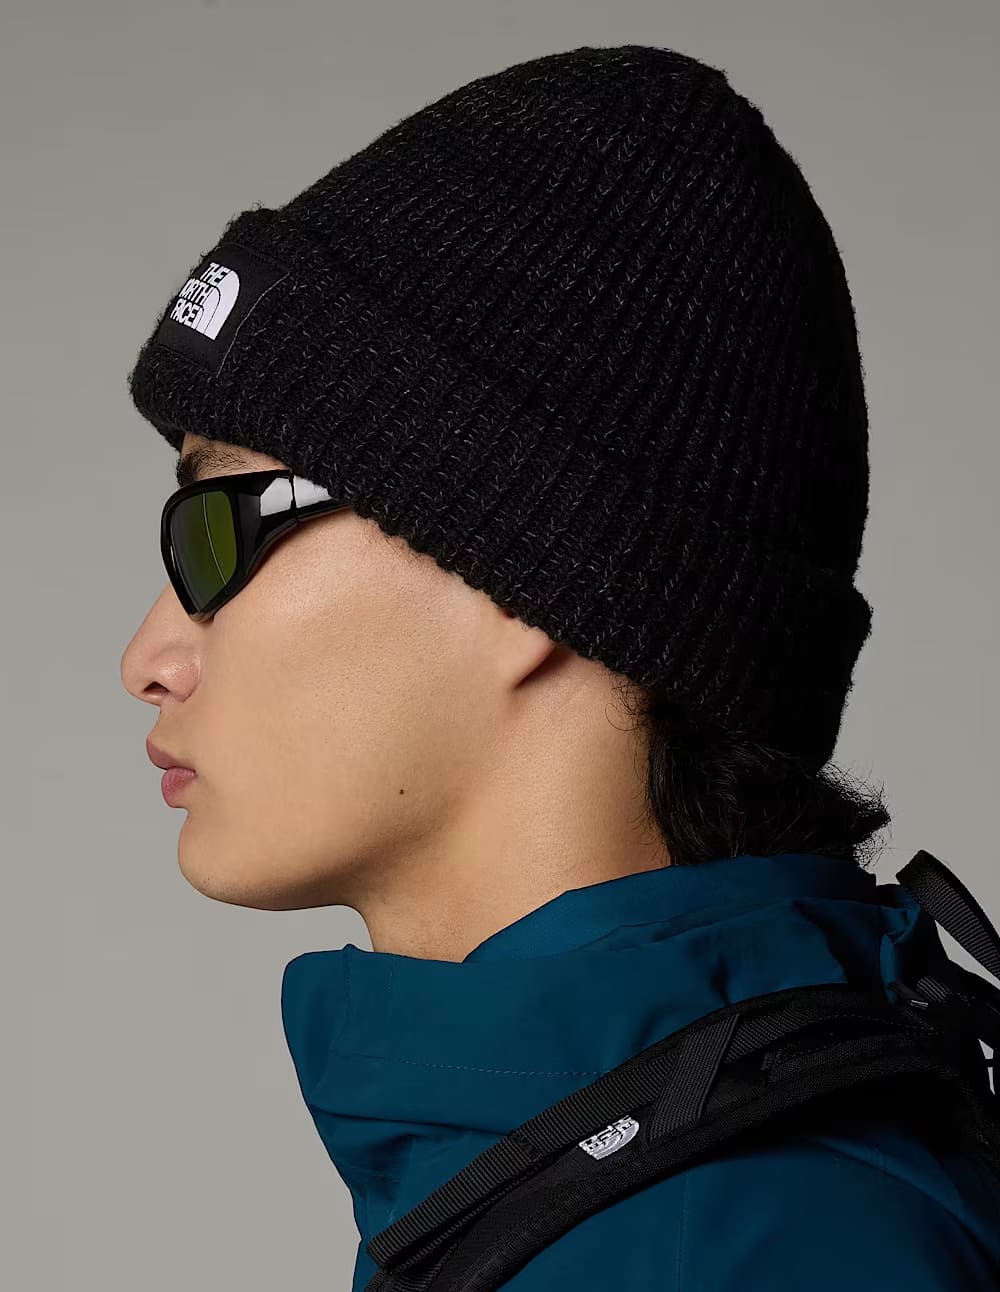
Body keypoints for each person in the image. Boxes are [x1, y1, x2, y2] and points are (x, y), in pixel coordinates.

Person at [119, 43, 1000, 1291]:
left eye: (214, 528)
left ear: (519, 574)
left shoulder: (734, 1244)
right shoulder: (577, 1175)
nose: (148, 656)